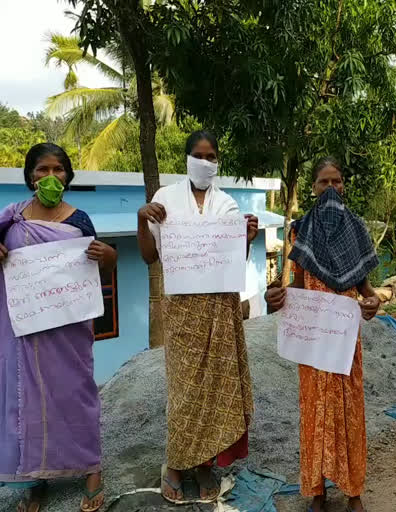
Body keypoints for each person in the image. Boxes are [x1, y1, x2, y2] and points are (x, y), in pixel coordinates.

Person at [136, 131, 259, 503]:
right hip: (183, 311)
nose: (205, 162)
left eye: (212, 156)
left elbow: (232, 258)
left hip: (221, 308)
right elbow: (147, 256)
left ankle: (206, 466)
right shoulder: (165, 199)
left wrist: (247, 238)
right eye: (199, 155)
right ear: (187, 158)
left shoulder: (227, 206)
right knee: (186, 389)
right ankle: (175, 464)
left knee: (217, 388)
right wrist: (142, 220)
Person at [0, 143, 117, 512]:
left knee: (76, 393)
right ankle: (37, 480)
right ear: (29, 176)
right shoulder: (12, 219)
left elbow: (103, 267)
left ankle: (91, 469)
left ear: (68, 176)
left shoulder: (79, 220)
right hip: (27, 331)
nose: (50, 177)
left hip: (69, 330)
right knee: (31, 401)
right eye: (42, 170)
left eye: (58, 170)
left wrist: (108, 255)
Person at [265, 157, 380, 512]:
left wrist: (372, 301)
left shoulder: (357, 229)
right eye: (323, 182)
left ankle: (353, 492)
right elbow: (296, 289)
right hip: (313, 342)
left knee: (349, 413)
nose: (331, 189)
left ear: (344, 186)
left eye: (338, 181)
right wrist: (276, 298)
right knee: (314, 412)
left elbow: (366, 289)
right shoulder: (301, 232)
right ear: (313, 188)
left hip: (346, 342)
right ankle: (317, 491)